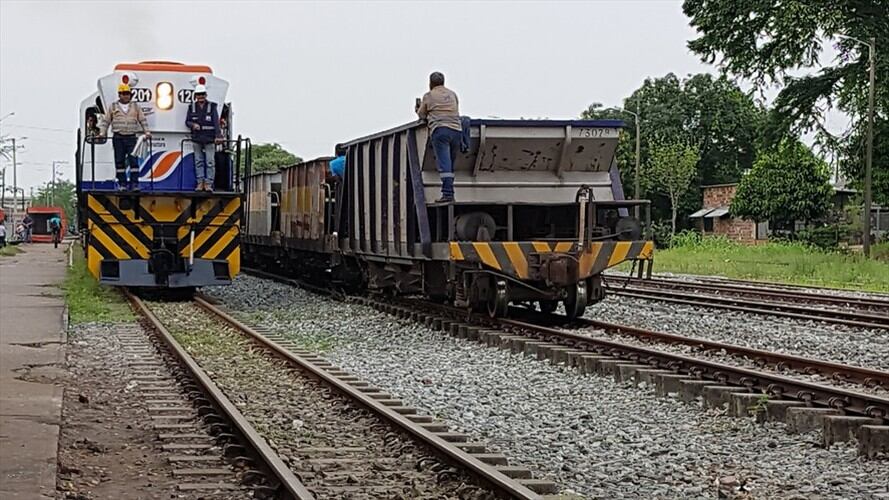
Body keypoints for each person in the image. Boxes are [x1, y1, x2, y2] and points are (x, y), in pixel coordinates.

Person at [416, 71, 462, 203]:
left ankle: (447, 194)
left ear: (430, 83)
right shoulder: (453, 94)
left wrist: (418, 109)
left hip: (441, 130)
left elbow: (422, 115)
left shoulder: (429, 96)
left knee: (444, 164)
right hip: (457, 130)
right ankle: (450, 190)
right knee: (450, 164)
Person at [100, 84, 151, 190]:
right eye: (123, 94)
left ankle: (135, 184)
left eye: (128, 94)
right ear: (119, 95)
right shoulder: (113, 107)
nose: (126, 96)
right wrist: (102, 133)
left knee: (133, 161)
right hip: (118, 137)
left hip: (131, 137)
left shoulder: (136, 107)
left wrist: (147, 132)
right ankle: (122, 183)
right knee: (119, 161)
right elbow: (106, 121)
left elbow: (142, 120)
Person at [185, 85, 223, 192]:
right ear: (195, 96)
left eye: (202, 94)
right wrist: (193, 125)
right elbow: (187, 121)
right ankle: (200, 183)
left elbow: (216, 122)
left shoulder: (212, 107)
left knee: (210, 162)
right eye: (198, 94)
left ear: (205, 95)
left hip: (209, 139)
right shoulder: (191, 107)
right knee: (198, 161)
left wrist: (218, 135)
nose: (200, 96)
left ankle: (209, 184)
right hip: (197, 138)